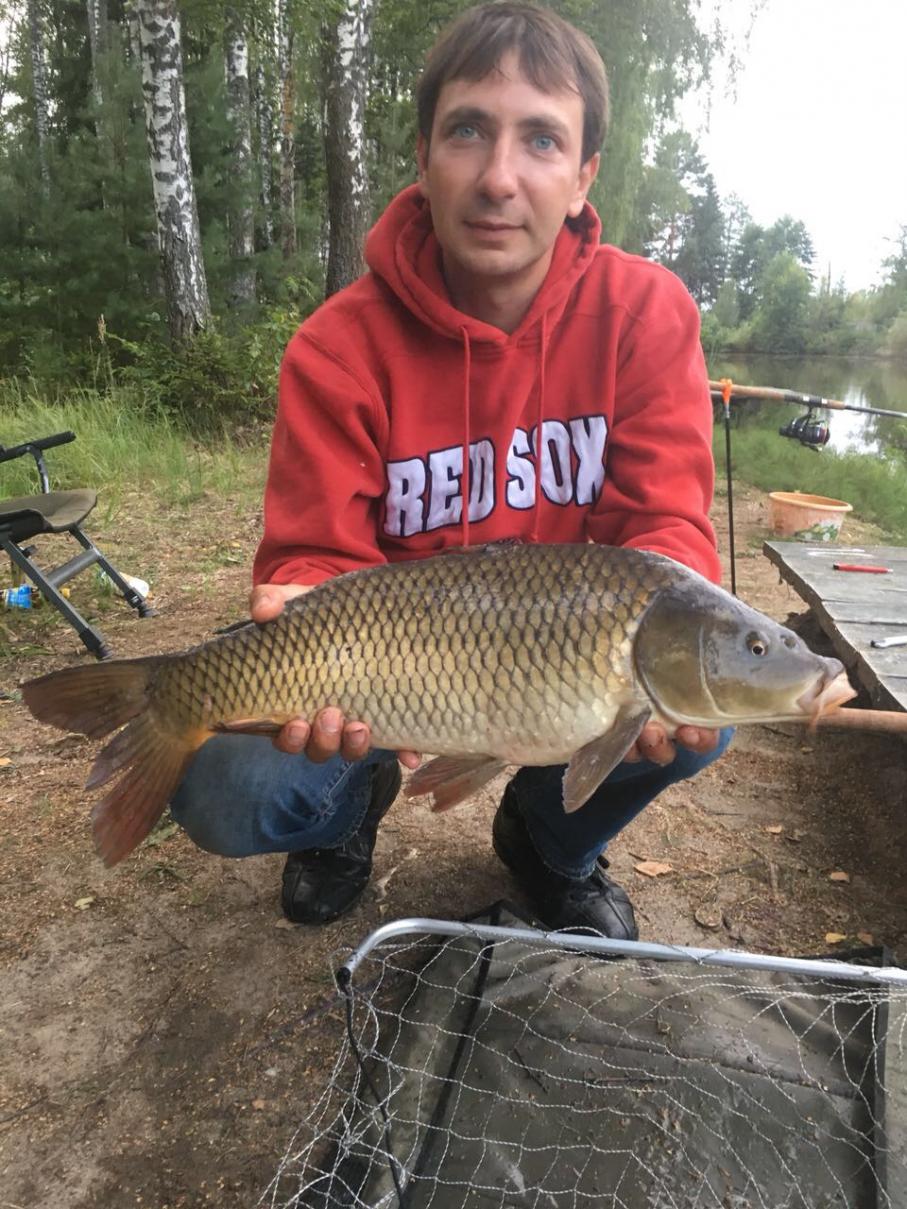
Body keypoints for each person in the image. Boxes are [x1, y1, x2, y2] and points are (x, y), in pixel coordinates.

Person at [170, 1, 732, 939]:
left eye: (541, 140)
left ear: (583, 175)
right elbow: (314, 557)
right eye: (468, 130)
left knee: (703, 686)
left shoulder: (646, 313)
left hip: (567, 661)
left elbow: (665, 531)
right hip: (384, 671)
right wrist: (302, 604)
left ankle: (547, 840)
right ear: (424, 155)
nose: (499, 177)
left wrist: (669, 641)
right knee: (227, 787)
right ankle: (348, 806)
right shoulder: (336, 347)